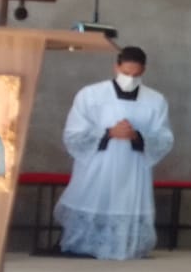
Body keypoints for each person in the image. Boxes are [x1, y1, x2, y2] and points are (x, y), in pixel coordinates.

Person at [54, 46, 175, 260]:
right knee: (93, 199)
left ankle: (125, 246)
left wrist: (137, 135)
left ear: (144, 71)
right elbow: (73, 134)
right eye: (126, 73)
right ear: (116, 67)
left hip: (132, 166)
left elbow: (164, 137)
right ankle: (83, 244)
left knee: (126, 202)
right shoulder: (91, 94)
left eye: (136, 75)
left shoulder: (155, 100)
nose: (130, 79)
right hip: (99, 163)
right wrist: (109, 132)